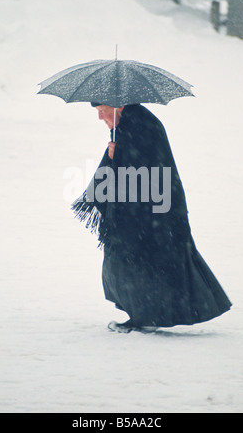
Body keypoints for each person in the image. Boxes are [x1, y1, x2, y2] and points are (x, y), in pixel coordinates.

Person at [72, 103, 232, 333]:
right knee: (131, 260)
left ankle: (147, 317)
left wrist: (120, 154)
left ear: (119, 106)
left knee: (147, 260)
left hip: (153, 210)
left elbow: (148, 167)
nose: (100, 117)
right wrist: (115, 155)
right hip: (142, 210)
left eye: (102, 110)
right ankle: (143, 314)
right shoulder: (128, 125)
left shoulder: (142, 125)